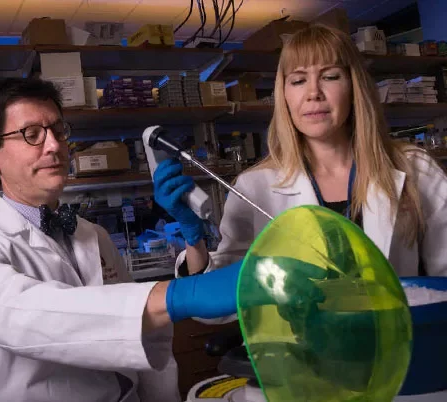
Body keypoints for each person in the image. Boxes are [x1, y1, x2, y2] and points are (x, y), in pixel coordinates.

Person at [0, 77, 288, 402]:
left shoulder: (90, 234)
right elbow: (26, 316)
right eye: (32, 134)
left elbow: (140, 347)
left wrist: (192, 239)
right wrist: (180, 296)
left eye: (58, 130)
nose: (53, 146)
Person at [154, 24, 447, 278]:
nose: (313, 93)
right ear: (284, 94)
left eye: (330, 76)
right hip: (301, 344)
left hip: (400, 340)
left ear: (354, 86)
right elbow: (228, 297)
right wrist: (195, 241)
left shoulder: (415, 168)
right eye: (297, 80)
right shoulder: (256, 186)